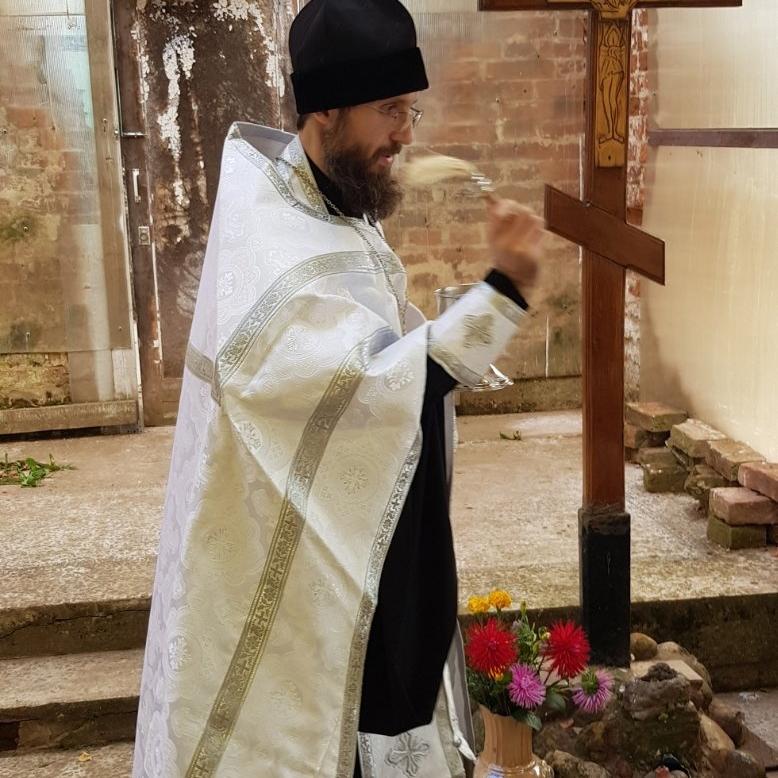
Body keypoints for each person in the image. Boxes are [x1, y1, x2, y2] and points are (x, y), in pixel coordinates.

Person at [132, 1, 544, 776]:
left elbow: (380, 358)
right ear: (326, 107)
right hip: (294, 582)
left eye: (411, 110)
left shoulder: (335, 201)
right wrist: (503, 294)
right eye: (390, 110)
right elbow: (361, 383)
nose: (406, 134)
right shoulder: (270, 233)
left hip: (360, 540)